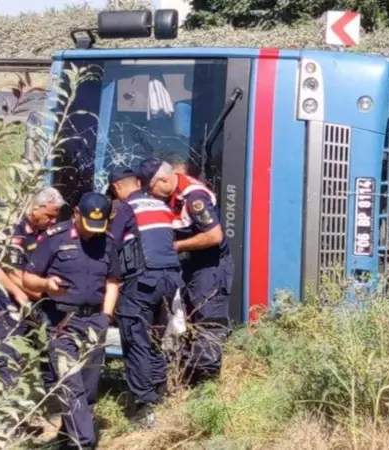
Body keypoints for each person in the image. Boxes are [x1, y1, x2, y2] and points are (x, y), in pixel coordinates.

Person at [22, 192, 121, 450]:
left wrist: (106, 316)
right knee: (71, 384)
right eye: (88, 226)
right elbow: (28, 279)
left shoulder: (107, 241)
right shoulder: (54, 238)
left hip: (94, 323)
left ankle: (68, 439)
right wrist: (46, 284)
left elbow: (112, 281)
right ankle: (85, 443)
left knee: (87, 391)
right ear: (77, 214)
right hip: (61, 323)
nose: (92, 233)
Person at [138, 158, 232, 387]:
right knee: (189, 320)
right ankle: (189, 381)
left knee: (207, 322)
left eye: (152, 188)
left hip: (211, 266)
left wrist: (177, 247)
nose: (153, 194)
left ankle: (206, 387)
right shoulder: (172, 194)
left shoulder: (193, 197)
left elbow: (214, 236)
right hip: (193, 266)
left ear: (164, 180)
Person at [107, 166, 182, 426]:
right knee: (155, 338)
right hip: (170, 281)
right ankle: (159, 392)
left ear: (116, 188)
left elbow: (111, 245)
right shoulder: (161, 205)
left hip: (142, 282)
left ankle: (144, 406)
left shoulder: (126, 209)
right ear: (139, 182)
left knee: (135, 338)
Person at [0, 187, 65, 393]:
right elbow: (0, 267)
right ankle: (9, 417)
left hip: (40, 303)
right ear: (34, 209)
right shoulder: (12, 228)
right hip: (7, 304)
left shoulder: (50, 234)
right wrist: (23, 292)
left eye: (55, 217)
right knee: (8, 358)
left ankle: (52, 404)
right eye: (49, 215)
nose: (52, 221)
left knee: (51, 354)